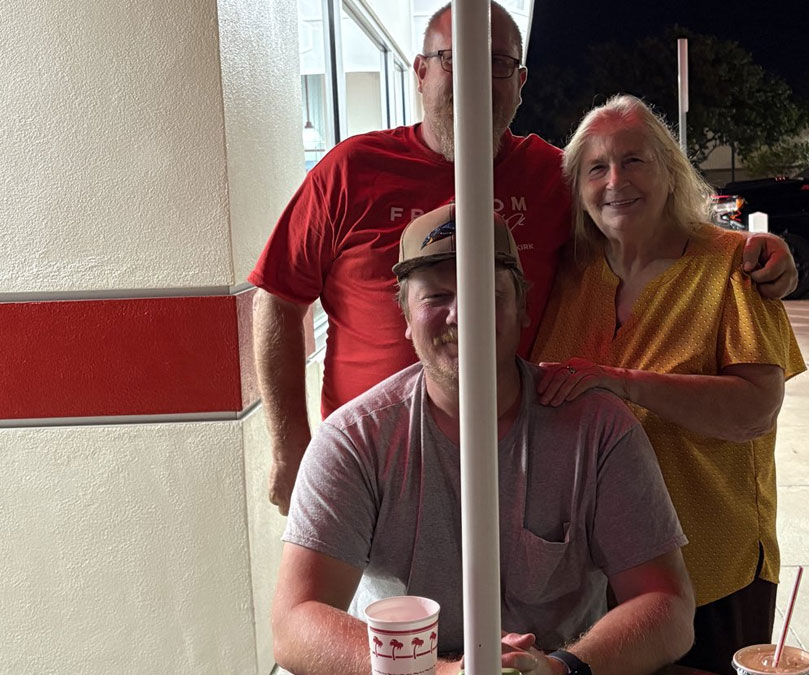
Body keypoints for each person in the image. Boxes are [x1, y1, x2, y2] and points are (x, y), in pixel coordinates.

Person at [249, 1, 798, 516]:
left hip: (518, 472)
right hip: (373, 468)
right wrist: (290, 446)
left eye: (497, 63)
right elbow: (277, 300)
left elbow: (635, 217)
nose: (475, 79)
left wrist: (745, 247)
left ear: (520, 82)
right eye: (453, 59)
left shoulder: (550, 177)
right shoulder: (350, 171)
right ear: (420, 71)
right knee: (374, 593)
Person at [270, 205, 696, 675]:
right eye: (437, 297)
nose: (462, 315)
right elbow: (294, 622)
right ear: (405, 315)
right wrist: (442, 673)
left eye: (486, 293)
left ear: (522, 308)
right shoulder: (354, 441)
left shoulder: (597, 428)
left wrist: (559, 669)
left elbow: (668, 603)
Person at [531, 94, 807, 675]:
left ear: (670, 171)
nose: (615, 181)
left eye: (634, 160)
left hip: (709, 562)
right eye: (596, 168)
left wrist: (622, 383)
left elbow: (756, 409)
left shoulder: (733, 265)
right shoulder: (569, 274)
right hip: (590, 573)